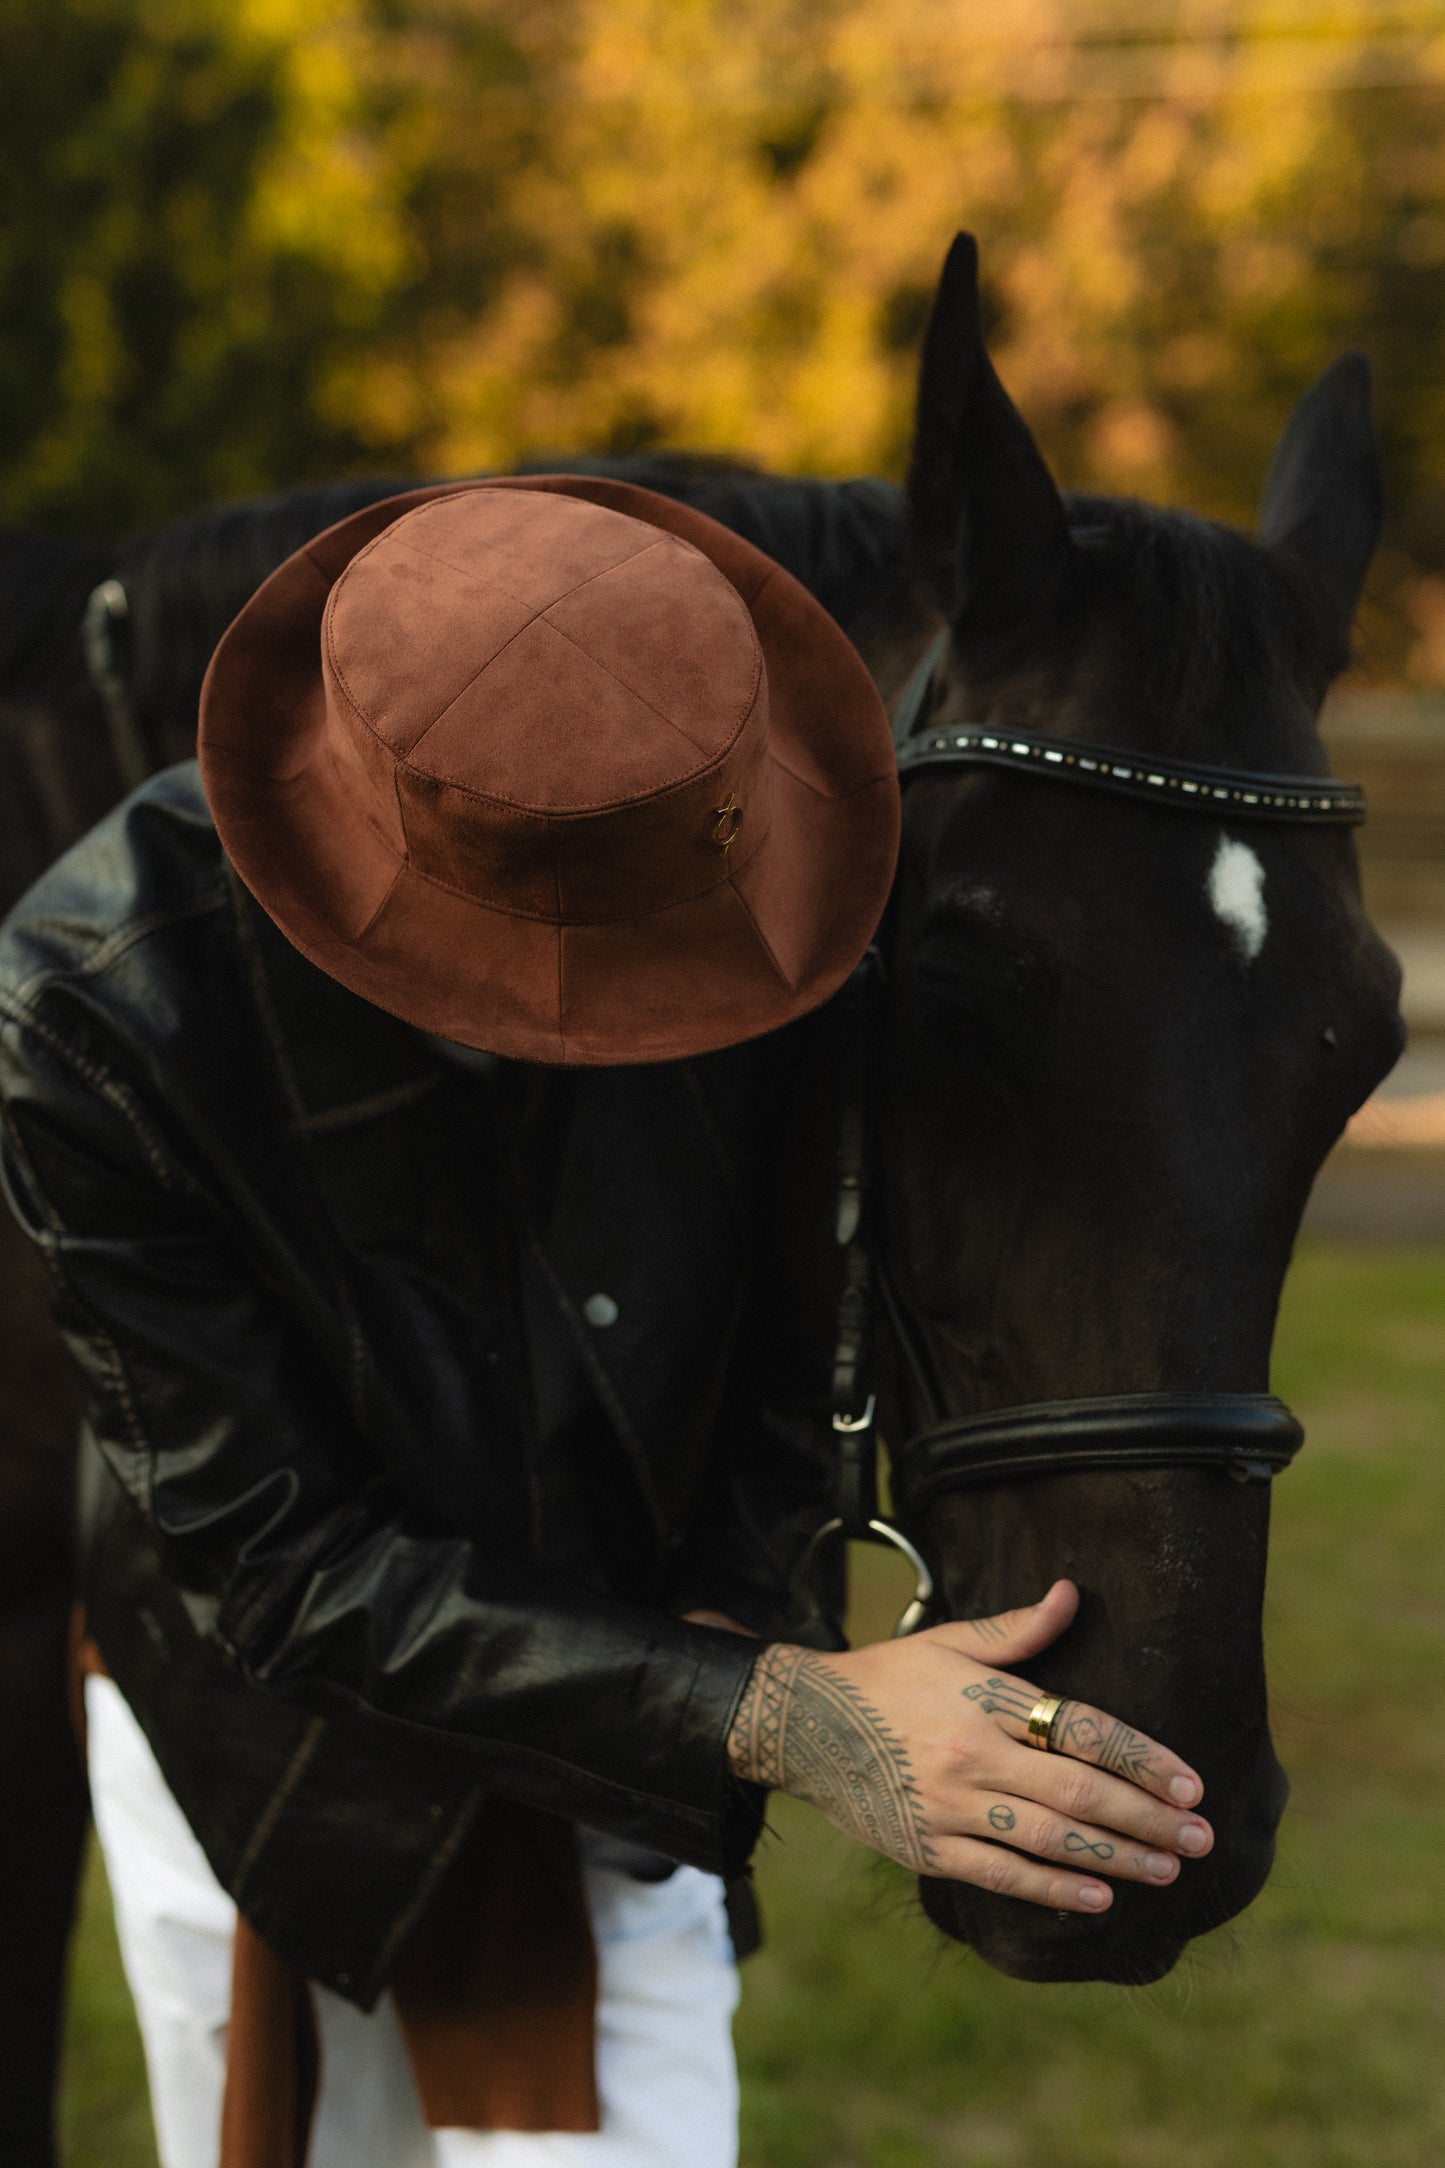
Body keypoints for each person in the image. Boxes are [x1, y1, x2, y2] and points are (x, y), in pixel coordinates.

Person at [0, 477, 1213, 2168]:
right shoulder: (98, 999)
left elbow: (802, 1330)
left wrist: (723, 1649)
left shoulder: (768, 854)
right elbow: (263, 1554)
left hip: (660, 1696)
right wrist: (791, 1716)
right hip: (264, 1752)